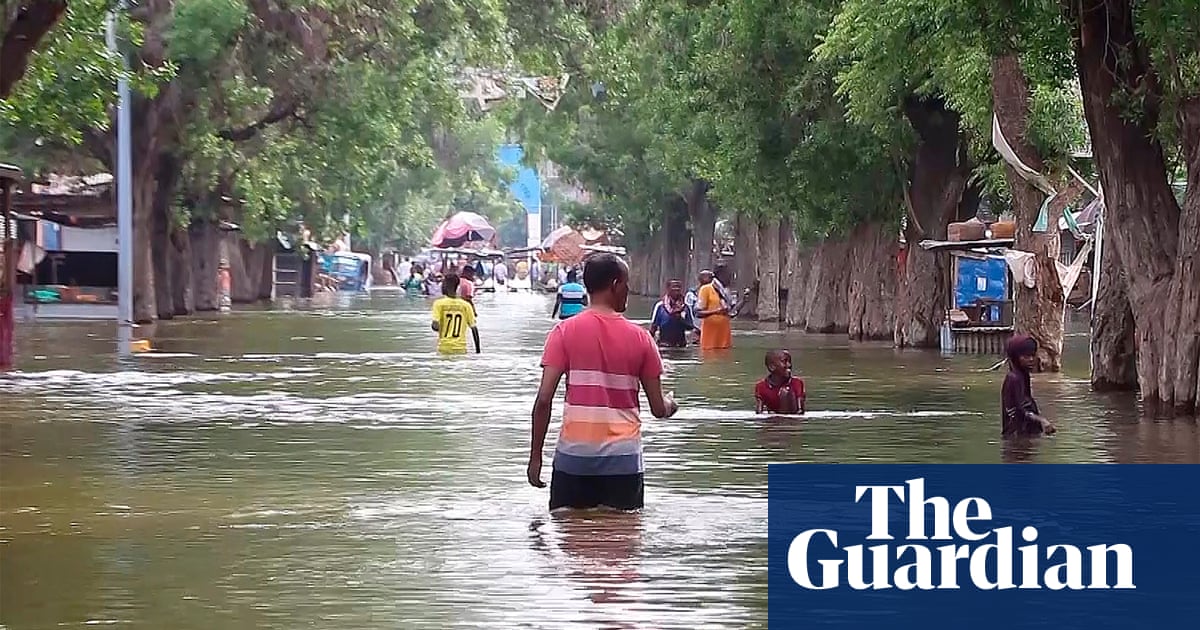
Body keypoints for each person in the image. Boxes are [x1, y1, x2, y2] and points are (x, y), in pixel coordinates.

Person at [528, 253, 679, 511]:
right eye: (626, 283)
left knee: (569, 532)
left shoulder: (563, 332)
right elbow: (658, 408)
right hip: (623, 462)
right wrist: (670, 405)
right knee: (621, 533)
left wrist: (535, 458)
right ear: (615, 284)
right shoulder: (641, 339)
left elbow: (544, 399)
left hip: (574, 460)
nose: (628, 290)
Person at [1002, 335, 1056, 436]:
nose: (1031, 359)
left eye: (1032, 355)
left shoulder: (1023, 376)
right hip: (1017, 436)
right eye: (1026, 356)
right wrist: (1042, 420)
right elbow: (1018, 410)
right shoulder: (1013, 378)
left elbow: (1027, 404)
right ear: (1016, 357)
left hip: (1026, 432)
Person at [431, 273, 480, 354]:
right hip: (461, 349)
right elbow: (474, 329)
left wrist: (438, 326)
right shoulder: (466, 305)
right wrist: (478, 351)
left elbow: (435, 326)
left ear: (445, 286)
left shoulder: (438, 304)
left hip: (444, 348)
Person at [754, 349, 806, 415]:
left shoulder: (797, 383)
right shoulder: (761, 386)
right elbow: (759, 413)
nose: (789, 365)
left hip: (792, 418)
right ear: (772, 367)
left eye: (789, 361)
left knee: (785, 393)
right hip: (772, 419)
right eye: (784, 361)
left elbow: (800, 411)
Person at [649, 280, 695, 347]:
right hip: (664, 344)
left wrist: (680, 319)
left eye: (678, 287)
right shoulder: (660, 306)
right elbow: (653, 327)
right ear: (668, 289)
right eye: (674, 287)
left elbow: (690, 326)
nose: (677, 289)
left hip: (680, 346)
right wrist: (649, 343)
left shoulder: (685, 306)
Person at [695, 269, 733, 350]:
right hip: (710, 332)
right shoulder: (706, 289)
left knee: (724, 354)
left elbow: (731, 313)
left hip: (724, 330)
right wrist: (716, 311)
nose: (730, 277)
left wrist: (744, 301)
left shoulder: (724, 291)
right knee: (709, 354)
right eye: (728, 275)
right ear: (719, 275)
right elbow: (698, 313)